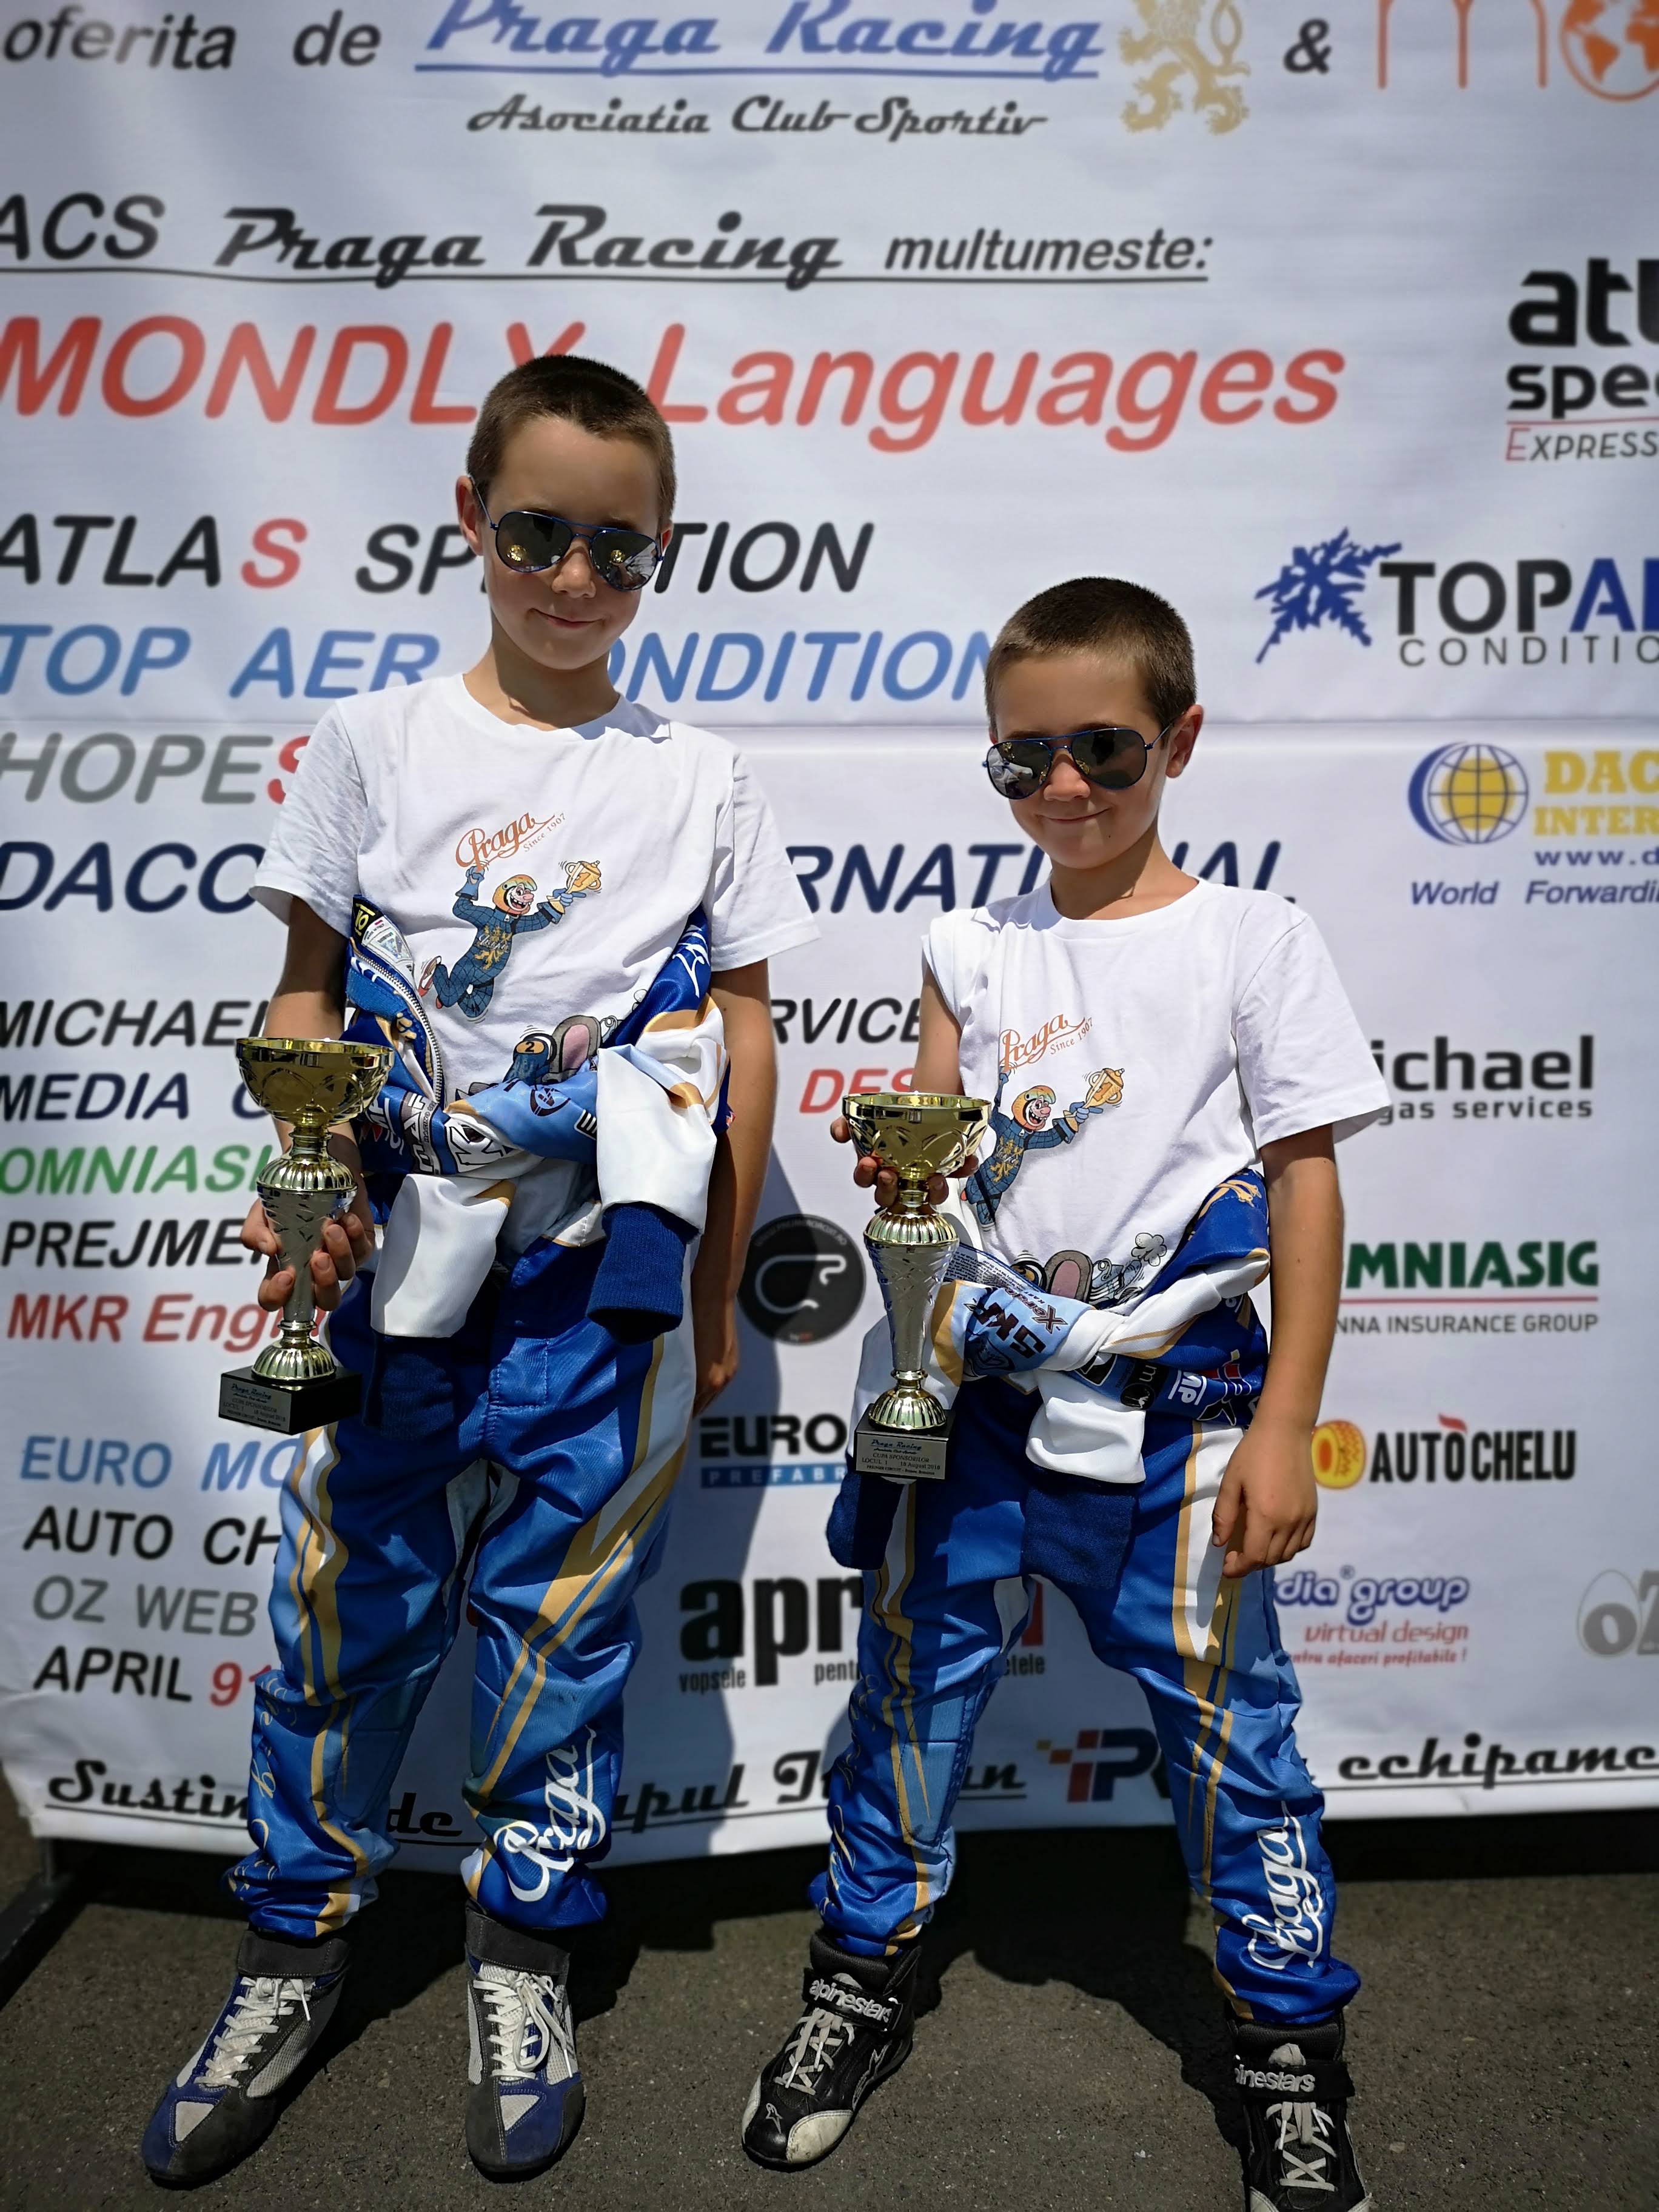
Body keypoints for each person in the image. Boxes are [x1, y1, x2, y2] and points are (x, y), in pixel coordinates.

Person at [142, 355, 815, 2187]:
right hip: (392, 1273)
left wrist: (714, 1282)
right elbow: (303, 1001)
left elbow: (747, 1036)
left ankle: (523, 1955)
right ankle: (290, 1956)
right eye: (535, 535)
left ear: (659, 553)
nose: (573, 578)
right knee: (344, 1622)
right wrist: (304, 1178)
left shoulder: (702, 776)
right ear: (469, 520)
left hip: (602, 1282)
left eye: (618, 547)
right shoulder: (370, 742)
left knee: (562, 1634)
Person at [740, 578, 1387, 2212]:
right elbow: (930, 1178)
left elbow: (1307, 1188)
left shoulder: (1255, 938)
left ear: (1180, 739)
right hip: (975, 1414)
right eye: (1022, 758)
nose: (1067, 785)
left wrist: (1286, 1425)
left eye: (1105, 747)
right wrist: (916, 1291)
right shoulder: (968, 946)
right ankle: (858, 1982)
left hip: (1182, 1424)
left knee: (1237, 1746)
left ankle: (1288, 2055)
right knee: (907, 1703)